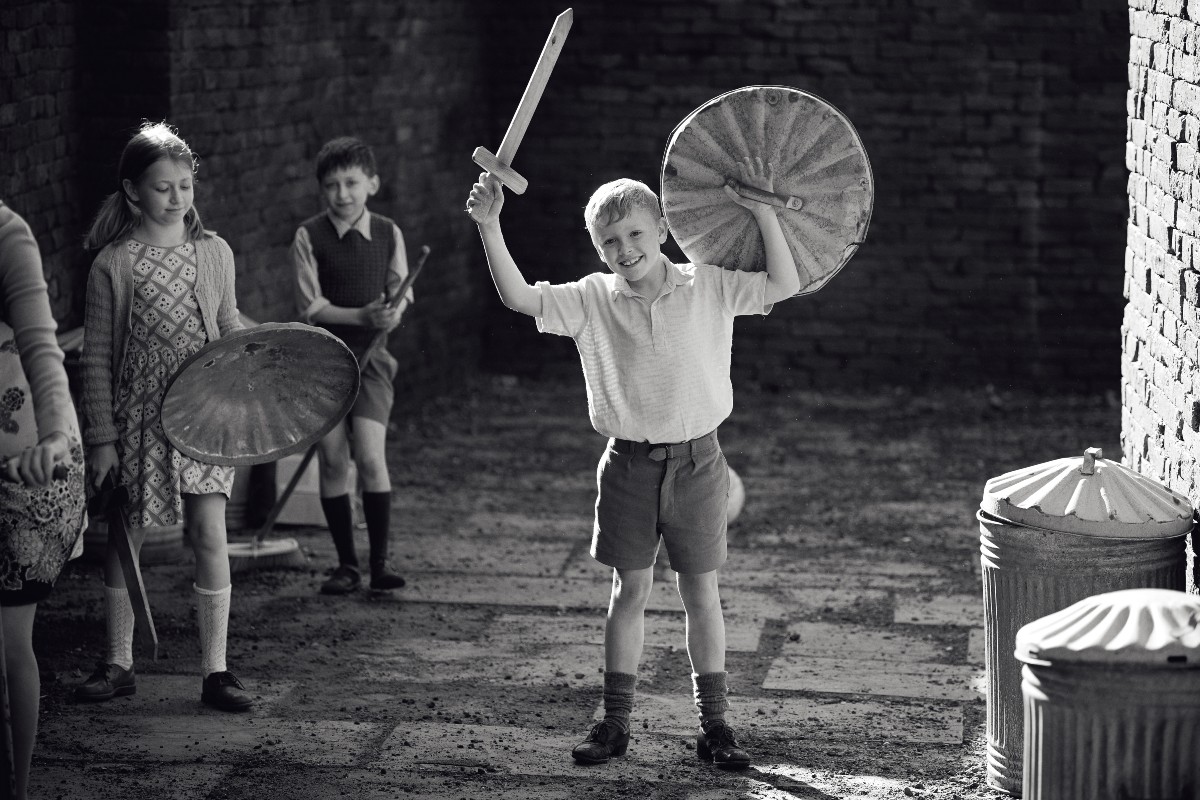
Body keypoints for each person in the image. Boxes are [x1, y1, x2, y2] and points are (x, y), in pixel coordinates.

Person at [465, 159, 801, 770]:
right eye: (610, 242)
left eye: (637, 235)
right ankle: (615, 722)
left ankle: (716, 726)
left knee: (701, 590)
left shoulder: (710, 285)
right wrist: (491, 226)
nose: (625, 249)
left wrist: (763, 212)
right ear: (597, 249)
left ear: (664, 229)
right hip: (627, 466)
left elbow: (783, 283)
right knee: (630, 590)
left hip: (700, 464)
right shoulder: (592, 300)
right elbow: (518, 296)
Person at [73, 122, 252, 711]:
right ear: (132, 192)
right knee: (127, 538)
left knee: (209, 532)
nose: (176, 198)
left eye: (184, 185)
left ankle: (216, 671)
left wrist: (251, 375)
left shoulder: (214, 253)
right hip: (140, 416)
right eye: (162, 188)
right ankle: (118, 662)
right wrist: (102, 438)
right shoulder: (113, 264)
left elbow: (226, 329)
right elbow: (95, 356)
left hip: (203, 412)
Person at [291, 136, 413, 596]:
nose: (342, 193)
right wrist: (361, 314)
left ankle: (379, 563)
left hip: (372, 361)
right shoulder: (309, 236)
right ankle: (346, 565)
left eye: (351, 183)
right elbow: (311, 307)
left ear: (372, 184)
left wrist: (388, 313)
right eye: (331, 185)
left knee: (370, 456)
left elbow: (401, 293)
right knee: (333, 459)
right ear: (321, 190)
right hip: (320, 362)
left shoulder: (388, 232)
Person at [0, 200, 88, 800]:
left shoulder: (7, 234)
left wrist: (56, 433)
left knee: (7, 643)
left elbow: (41, 347)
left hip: (30, 459)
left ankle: (18, 789)